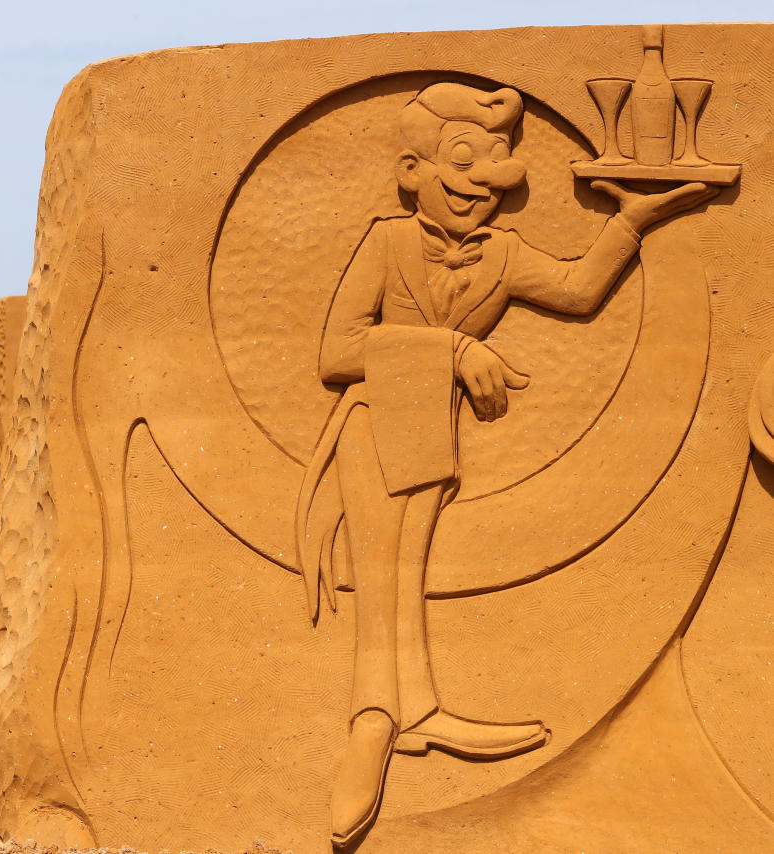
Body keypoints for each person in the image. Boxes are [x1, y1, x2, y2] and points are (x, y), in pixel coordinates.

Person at [294, 82, 717, 846]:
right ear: (411, 169)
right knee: (381, 573)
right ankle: (370, 720)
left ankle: (415, 707)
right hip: (370, 427)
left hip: (434, 437)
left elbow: (579, 291)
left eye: (496, 176)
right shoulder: (387, 242)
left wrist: (630, 221)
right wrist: (450, 348)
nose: (481, 193)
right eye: (461, 169)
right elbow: (336, 353)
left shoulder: (504, 253)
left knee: (408, 570)